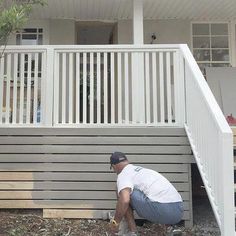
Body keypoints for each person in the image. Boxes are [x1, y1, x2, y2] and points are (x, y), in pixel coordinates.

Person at [109, 152, 184, 236]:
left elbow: (125, 200)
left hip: (162, 210)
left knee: (123, 194)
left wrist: (115, 223)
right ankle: (171, 228)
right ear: (127, 161)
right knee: (152, 193)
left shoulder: (123, 174)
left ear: (114, 166)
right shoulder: (142, 171)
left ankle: (133, 232)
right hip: (179, 210)